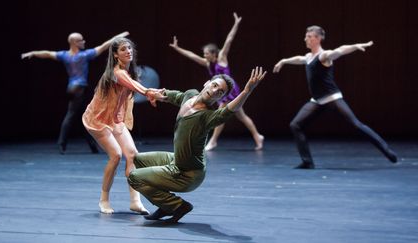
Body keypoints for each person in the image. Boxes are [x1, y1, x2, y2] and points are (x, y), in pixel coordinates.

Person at [128, 67, 267, 223]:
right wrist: (154, 94)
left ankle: (178, 206)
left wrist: (247, 91)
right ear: (207, 83)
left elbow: (228, 111)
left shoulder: (207, 117)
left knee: (135, 178)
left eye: (220, 92)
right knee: (139, 159)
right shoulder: (190, 95)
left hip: (188, 174)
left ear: (220, 98)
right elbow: (173, 96)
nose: (215, 91)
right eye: (214, 86)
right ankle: (165, 204)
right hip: (177, 161)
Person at [273, 25, 398, 169]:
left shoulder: (323, 56)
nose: (305, 39)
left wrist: (355, 46)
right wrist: (283, 61)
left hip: (332, 98)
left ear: (318, 39)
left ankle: (387, 150)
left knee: (356, 125)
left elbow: (339, 51)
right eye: (306, 36)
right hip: (317, 100)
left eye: (309, 36)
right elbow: (299, 59)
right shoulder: (308, 57)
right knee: (295, 125)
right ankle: (307, 161)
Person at [82, 37, 166, 214]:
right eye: (123, 49)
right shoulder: (117, 72)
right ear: (115, 54)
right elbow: (135, 86)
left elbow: (133, 86)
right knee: (116, 155)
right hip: (98, 120)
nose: (128, 51)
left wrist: (149, 92)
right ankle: (103, 199)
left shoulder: (128, 72)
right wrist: (149, 92)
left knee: (132, 155)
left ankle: (135, 201)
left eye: (129, 48)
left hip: (115, 119)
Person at [21, 31, 129, 154]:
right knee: (72, 114)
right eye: (81, 40)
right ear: (74, 43)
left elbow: (47, 53)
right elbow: (104, 46)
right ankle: (62, 143)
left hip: (71, 88)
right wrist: (117, 37)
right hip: (79, 88)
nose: (84, 42)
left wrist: (32, 53)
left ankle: (92, 145)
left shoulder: (65, 55)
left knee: (83, 117)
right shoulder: (84, 55)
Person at [169, 12, 264, 151]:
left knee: (221, 112)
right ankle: (258, 136)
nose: (204, 55)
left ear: (214, 53)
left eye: (207, 53)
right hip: (218, 90)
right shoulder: (207, 63)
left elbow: (229, 39)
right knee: (241, 115)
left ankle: (213, 141)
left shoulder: (221, 58)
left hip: (228, 90)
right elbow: (192, 56)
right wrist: (178, 48)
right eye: (204, 54)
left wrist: (236, 24)